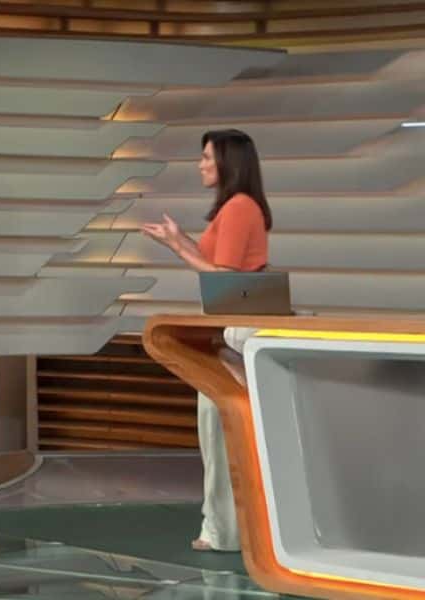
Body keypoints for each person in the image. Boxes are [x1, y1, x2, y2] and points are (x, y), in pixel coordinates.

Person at [140, 128, 272, 552]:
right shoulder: (236, 208)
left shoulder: (238, 208)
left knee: (220, 433)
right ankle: (225, 530)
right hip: (230, 328)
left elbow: (226, 281)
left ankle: (223, 532)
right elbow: (220, 265)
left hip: (235, 331)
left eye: (206, 158)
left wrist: (180, 251)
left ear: (227, 164)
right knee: (219, 432)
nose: (200, 165)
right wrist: (179, 241)